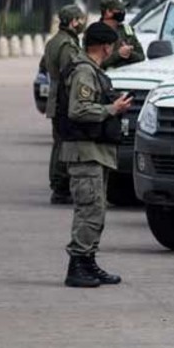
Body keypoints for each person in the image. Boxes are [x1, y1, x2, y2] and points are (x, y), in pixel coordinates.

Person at [58, 22, 134, 288]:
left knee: (96, 210)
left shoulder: (92, 70)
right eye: (112, 44)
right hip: (85, 152)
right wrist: (112, 109)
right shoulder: (84, 72)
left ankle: (88, 261)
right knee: (89, 210)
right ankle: (78, 265)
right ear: (105, 46)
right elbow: (78, 110)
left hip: (95, 152)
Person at [42, 5, 87, 204]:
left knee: (59, 143)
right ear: (73, 21)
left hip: (56, 98)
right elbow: (72, 72)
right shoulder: (67, 44)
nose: (82, 23)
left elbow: (44, 66)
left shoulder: (54, 41)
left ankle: (58, 185)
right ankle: (60, 187)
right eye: (80, 20)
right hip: (63, 99)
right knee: (63, 145)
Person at [97, 0, 145, 70]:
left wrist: (129, 54)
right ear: (108, 12)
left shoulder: (127, 30)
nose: (123, 12)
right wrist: (118, 54)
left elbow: (141, 57)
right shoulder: (95, 32)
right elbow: (94, 62)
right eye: (119, 9)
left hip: (126, 74)